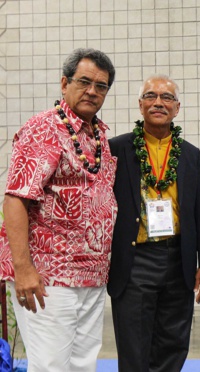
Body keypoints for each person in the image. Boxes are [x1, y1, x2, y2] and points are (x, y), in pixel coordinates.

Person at [0, 48, 117, 371]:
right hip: (48, 276)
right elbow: (15, 200)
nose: (92, 91)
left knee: (82, 365)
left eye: (101, 86)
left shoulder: (99, 137)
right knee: (51, 366)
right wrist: (24, 270)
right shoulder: (43, 129)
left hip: (91, 276)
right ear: (64, 83)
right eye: (84, 81)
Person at [108, 74, 200, 371]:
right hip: (134, 261)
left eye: (166, 97)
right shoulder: (117, 149)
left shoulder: (190, 155)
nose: (158, 102)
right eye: (151, 96)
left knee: (173, 343)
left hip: (177, 259)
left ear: (177, 108)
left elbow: (199, 211)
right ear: (140, 105)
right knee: (134, 347)